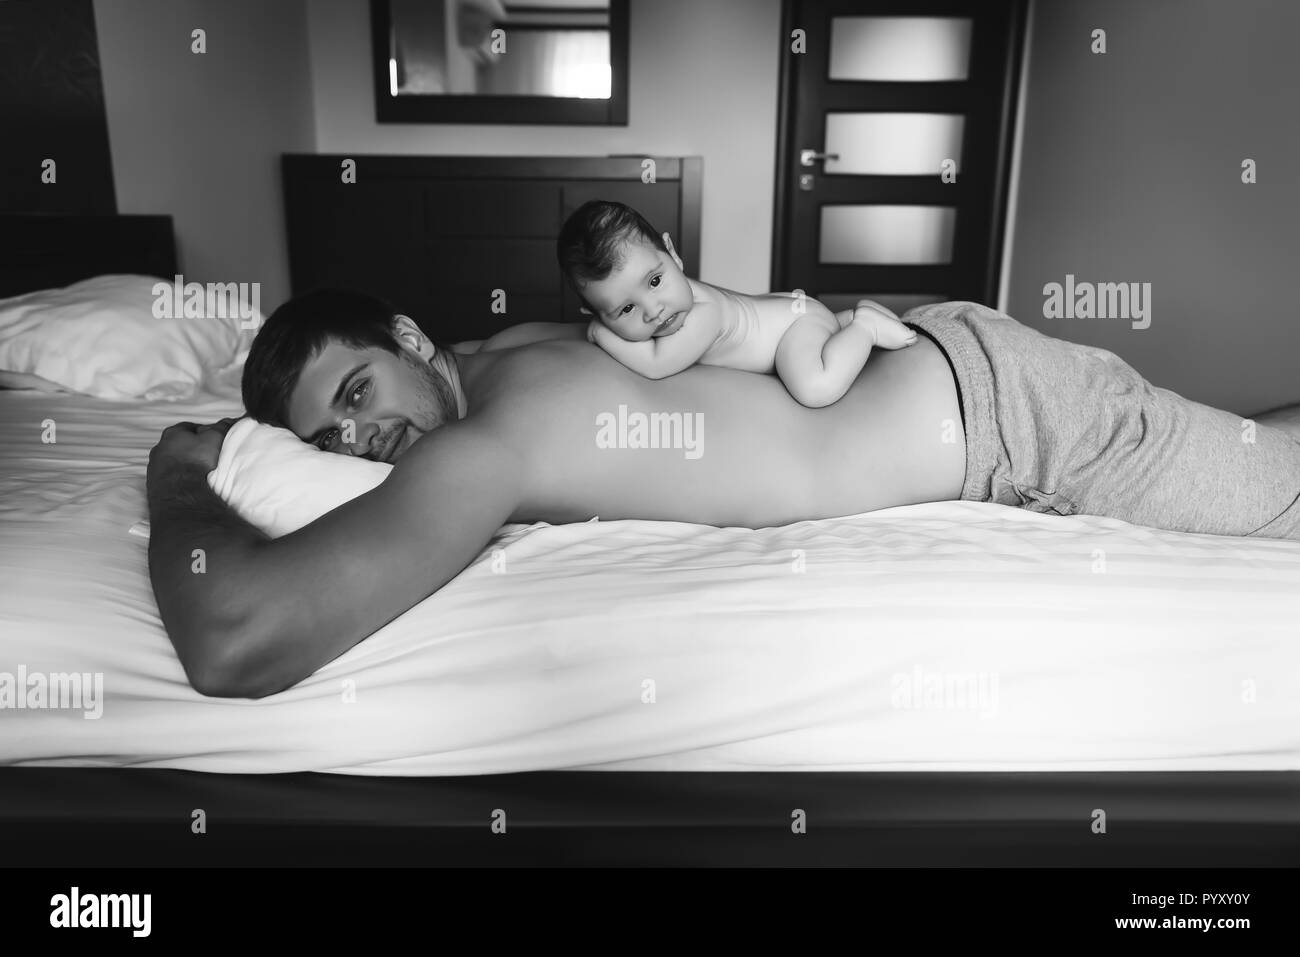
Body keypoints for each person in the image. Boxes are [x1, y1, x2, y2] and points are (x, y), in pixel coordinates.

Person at [147, 290, 1300, 700]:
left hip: (1019, 418)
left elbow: (236, 641)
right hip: (967, 381)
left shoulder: (479, 443)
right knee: (1247, 454)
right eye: (331, 434)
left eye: (357, 387)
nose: (362, 436)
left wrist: (182, 474)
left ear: (407, 338)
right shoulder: (498, 356)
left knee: (1274, 496)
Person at [558, 200, 915, 407]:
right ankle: (844, 320)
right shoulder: (677, 299)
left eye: (654, 281)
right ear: (596, 311)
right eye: (625, 309)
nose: (653, 311)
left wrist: (600, 333)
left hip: (793, 328)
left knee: (814, 388)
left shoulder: (703, 314)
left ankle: (863, 326)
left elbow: (656, 365)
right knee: (818, 337)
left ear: (673, 254)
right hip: (788, 311)